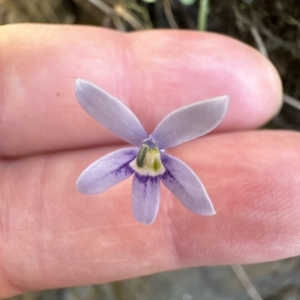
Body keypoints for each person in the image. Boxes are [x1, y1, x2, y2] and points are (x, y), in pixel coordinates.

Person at [0, 23, 295, 298]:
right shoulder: (141, 155)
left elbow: (187, 197)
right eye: (148, 159)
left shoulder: (157, 158)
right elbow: (92, 181)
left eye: (149, 159)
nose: (148, 158)